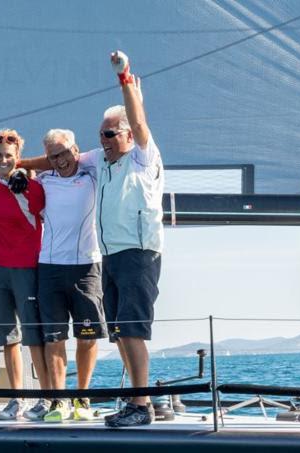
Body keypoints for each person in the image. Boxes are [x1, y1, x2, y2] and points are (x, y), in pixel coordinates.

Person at [76, 51, 165, 427]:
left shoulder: (143, 157)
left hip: (138, 253)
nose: (104, 139)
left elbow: (140, 119)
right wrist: (16, 166)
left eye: (111, 133)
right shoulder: (101, 161)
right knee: (117, 332)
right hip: (110, 255)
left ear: (128, 135)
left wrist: (125, 78)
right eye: (101, 134)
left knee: (132, 328)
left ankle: (141, 405)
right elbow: (62, 159)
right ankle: (135, 399)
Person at [0, 129, 50, 421]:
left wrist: (23, 177)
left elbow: (40, 213)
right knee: (8, 338)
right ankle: (15, 399)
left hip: (27, 267)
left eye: (9, 156)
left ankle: (47, 398)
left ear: (18, 157)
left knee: (34, 337)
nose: (3, 161)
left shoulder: (32, 188)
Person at [35, 129, 107, 422]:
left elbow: (108, 154)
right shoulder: (42, 181)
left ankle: (82, 397)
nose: (61, 160)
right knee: (54, 338)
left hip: (86, 266)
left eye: (64, 152)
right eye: (53, 156)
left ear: (75, 150)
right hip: (50, 266)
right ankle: (59, 401)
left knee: (87, 337)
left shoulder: (92, 175)